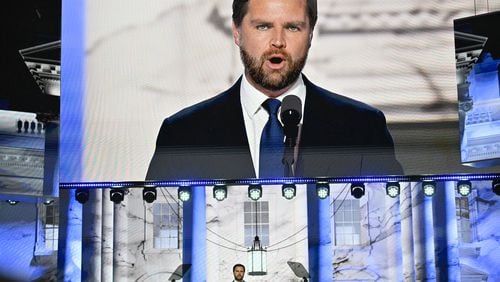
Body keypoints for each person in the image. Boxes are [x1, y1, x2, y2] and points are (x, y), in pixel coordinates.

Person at [146, 0, 402, 180]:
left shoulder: (363, 129)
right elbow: (155, 238)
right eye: (263, 26)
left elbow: (390, 232)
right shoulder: (182, 135)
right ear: (237, 31)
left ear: (311, 34)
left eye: (292, 27)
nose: (278, 41)